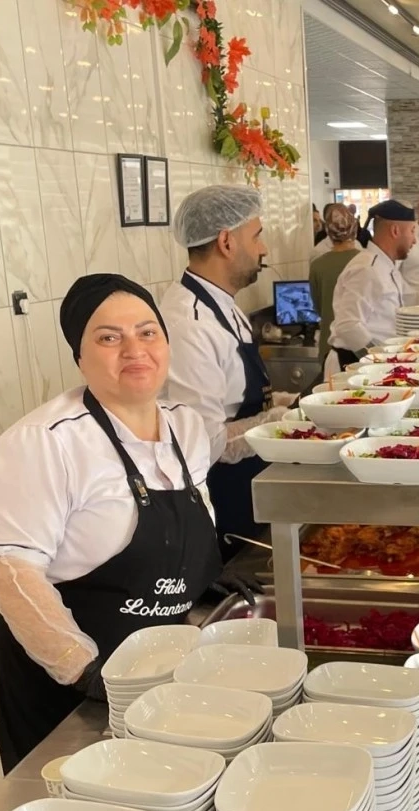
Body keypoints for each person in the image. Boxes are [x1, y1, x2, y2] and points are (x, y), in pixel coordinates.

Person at [0, 274, 223, 773]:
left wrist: (202, 579)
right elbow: (9, 571)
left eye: (147, 332)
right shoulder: (45, 442)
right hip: (55, 685)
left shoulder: (186, 426)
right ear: (80, 356)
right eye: (109, 337)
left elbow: (183, 527)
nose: (135, 349)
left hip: (152, 669)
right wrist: (81, 668)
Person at [159, 185, 294, 558]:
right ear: (226, 242)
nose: (264, 249)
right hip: (221, 497)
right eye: (257, 236)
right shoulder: (189, 323)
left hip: (252, 482)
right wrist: (273, 422)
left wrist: (285, 404)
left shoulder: (225, 305)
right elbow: (207, 443)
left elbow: (234, 398)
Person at [329, 199, 417, 368]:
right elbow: (348, 325)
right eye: (412, 231)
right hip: (353, 364)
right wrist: (378, 359)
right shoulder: (367, 268)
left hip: (372, 363)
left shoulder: (386, 266)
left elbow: (412, 298)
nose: (414, 240)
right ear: (395, 230)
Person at [308, 205, 363, 369]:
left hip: (329, 344)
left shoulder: (317, 264)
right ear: (354, 227)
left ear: (328, 230)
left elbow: (318, 307)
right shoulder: (366, 261)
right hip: (360, 344)